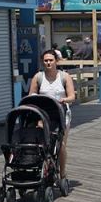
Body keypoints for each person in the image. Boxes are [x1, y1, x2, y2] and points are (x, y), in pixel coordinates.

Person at [28, 48, 77, 178]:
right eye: (46, 61)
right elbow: (31, 96)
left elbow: (72, 96)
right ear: (42, 62)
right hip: (44, 114)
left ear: (56, 61)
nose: (48, 63)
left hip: (61, 112)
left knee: (61, 145)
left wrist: (64, 99)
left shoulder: (64, 76)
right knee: (41, 141)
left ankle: (62, 172)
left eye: (51, 60)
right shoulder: (38, 77)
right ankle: (42, 166)